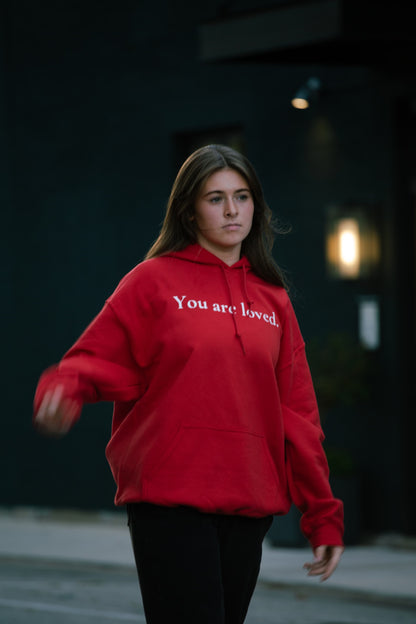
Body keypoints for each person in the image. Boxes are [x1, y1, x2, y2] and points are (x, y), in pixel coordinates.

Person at [33, 144, 344, 624]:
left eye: (242, 197)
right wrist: (64, 392)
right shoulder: (151, 281)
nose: (232, 210)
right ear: (190, 211)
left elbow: (298, 415)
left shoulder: (273, 300)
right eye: (215, 198)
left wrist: (322, 515)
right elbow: (95, 359)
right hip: (170, 498)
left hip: (249, 500)